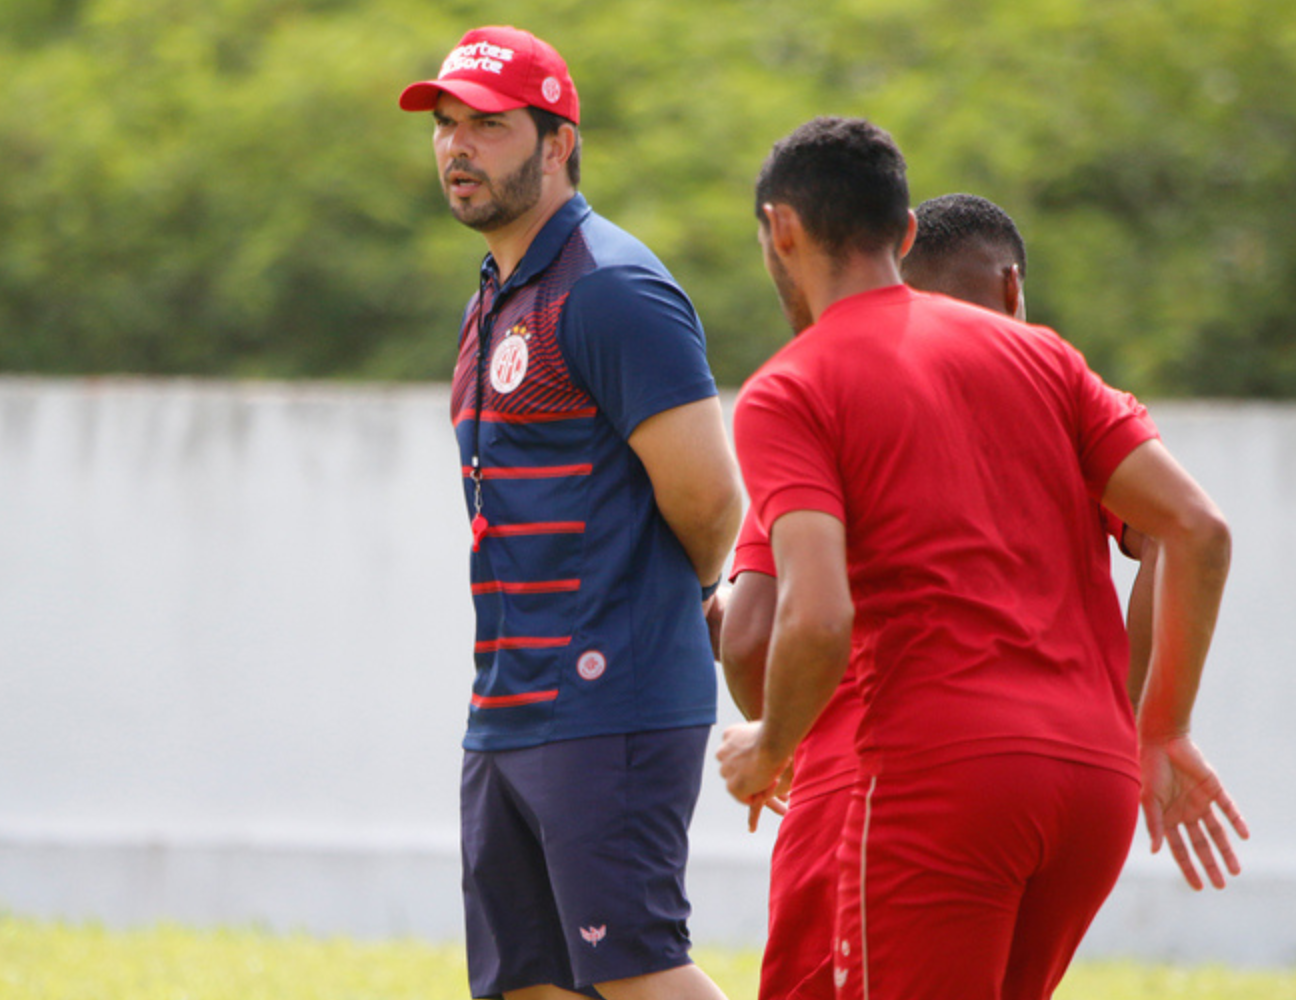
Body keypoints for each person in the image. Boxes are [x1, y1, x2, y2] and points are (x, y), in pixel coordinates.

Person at [716, 117, 1248, 1000]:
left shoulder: (794, 386)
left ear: (781, 229)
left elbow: (814, 616)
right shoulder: (1047, 356)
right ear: (907, 232)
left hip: (934, 779)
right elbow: (1199, 530)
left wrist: (771, 746)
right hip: (1092, 789)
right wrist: (1165, 726)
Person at [398, 26, 744, 1000]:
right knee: (528, 984)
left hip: (608, 698)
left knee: (636, 971)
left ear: (558, 145)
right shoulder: (492, 301)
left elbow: (709, 497)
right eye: (445, 125)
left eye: (489, 127)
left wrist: (685, 601)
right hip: (505, 704)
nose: (457, 147)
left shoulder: (613, 287)